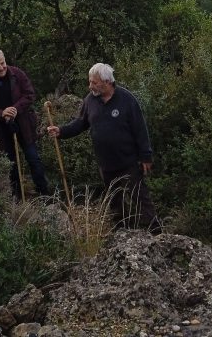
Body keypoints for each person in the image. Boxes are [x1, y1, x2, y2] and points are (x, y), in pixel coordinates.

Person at [47, 63, 161, 234]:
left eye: (94, 82)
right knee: (115, 201)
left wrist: (146, 157)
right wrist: (61, 131)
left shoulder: (127, 99)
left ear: (107, 82)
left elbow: (140, 129)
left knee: (140, 198)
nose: (90, 86)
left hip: (129, 162)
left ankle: (156, 233)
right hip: (106, 164)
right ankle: (122, 234)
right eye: (90, 82)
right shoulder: (90, 100)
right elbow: (81, 123)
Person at [0, 49, 50, 198]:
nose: (2, 67)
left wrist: (15, 108)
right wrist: (1, 113)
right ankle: (17, 198)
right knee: (10, 164)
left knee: (33, 159)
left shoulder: (17, 74)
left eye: (3, 63)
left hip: (24, 124)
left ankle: (45, 195)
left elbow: (30, 95)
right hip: (1, 129)